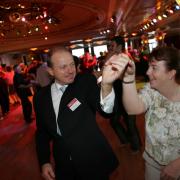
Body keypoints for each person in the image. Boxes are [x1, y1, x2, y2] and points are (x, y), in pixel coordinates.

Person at [33, 46, 121, 180]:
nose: (70, 71)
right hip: (64, 166)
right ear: (50, 70)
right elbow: (42, 133)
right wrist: (44, 162)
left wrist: (107, 86)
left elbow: (106, 111)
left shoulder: (84, 82)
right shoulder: (40, 97)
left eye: (72, 64)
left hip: (92, 161)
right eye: (63, 67)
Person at [106, 46, 180, 180]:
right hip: (152, 163)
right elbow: (133, 109)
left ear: (171, 73)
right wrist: (128, 78)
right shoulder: (151, 91)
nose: (147, 72)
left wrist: (177, 165)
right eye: (148, 66)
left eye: (154, 67)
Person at [107, 35, 141, 152]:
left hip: (128, 96)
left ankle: (136, 146)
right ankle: (126, 140)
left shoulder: (125, 58)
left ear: (120, 46)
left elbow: (123, 77)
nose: (110, 48)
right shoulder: (115, 58)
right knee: (114, 121)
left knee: (130, 123)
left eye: (112, 45)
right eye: (109, 45)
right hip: (118, 96)